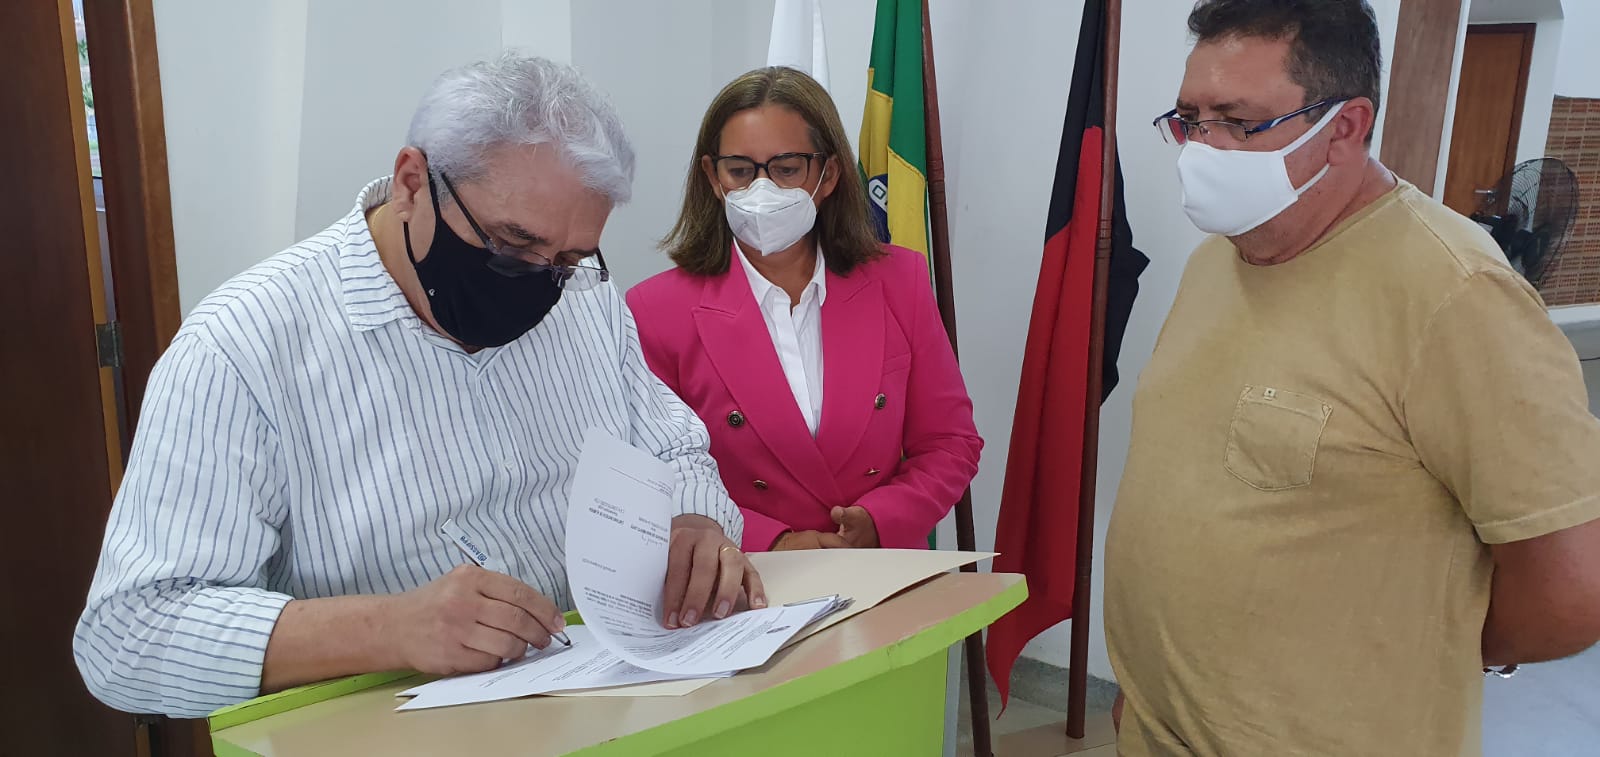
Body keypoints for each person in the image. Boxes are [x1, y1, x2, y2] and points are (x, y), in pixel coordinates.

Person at [73, 55, 762, 718]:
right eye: (511, 245)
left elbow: (674, 451)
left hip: (607, 703)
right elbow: (128, 636)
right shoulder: (245, 346)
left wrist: (694, 523)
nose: (540, 281)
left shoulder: (583, 301)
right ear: (411, 183)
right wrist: (388, 628)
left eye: (568, 258)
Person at [1105, 1, 1600, 754]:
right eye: (1190, 118)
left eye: (1238, 122)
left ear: (1344, 127)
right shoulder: (1219, 260)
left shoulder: (1455, 295)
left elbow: (1572, 590)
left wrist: (1426, 647)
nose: (1201, 148)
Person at [626, 67, 981, 561]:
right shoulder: (654, 310)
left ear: (828, 175)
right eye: (740, 171)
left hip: (883, 569)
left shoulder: (901, 281)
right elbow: (649, 474)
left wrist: (882, 519)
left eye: (787, 169)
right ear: (713, 177)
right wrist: (772, 541)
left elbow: (949, 441)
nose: (763, 189)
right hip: (744, 578)